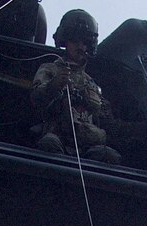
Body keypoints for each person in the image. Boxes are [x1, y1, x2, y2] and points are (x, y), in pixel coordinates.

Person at [29, 9, 120, 163]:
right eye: (75, 41)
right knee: (49, 144)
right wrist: (54, 85)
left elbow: (110, 124)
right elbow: (36, 98)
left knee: (110, 156)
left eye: (85, 42)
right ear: (65, 41)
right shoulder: (50, 69)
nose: (80, 46)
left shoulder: (92, 84)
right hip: (58, 138)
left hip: (87, 147)